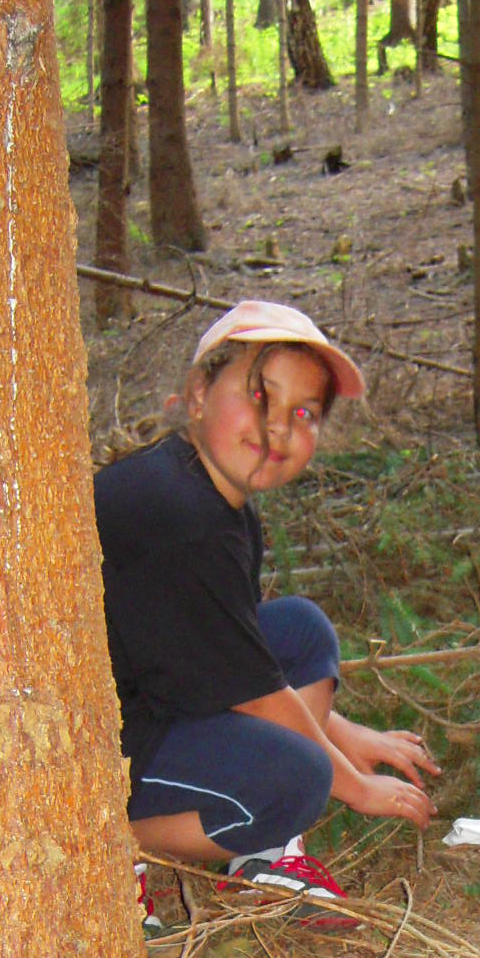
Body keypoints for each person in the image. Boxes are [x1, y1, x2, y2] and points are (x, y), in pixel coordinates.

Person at [97, 300, 437, 922]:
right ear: (198, 394)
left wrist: (348, 735)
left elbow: (242, 656)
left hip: (146, 692)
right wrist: (355, 785)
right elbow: (257, 697)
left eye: (303, 413)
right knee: (299, 780)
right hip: (101, 742)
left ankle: (261, 859)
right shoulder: (178, 512)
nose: (277, 427)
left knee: (301, 631)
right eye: (260, 395)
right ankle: (107, 840)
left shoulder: (214, 498)